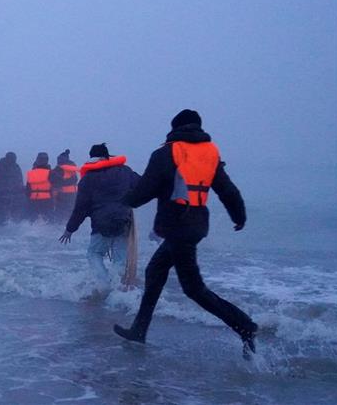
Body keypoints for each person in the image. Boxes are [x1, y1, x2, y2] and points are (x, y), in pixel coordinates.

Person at [112, 109, 258, 358]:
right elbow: (227, 190)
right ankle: (139, 329)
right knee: (155, 271)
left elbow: (146, 189)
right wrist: (239, 216)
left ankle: (245, 326)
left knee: (193, 289)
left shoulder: (166, 153)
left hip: (178, 227)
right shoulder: (208, 154)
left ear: (174, 129)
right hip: (195, 225)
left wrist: (124, 201)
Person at [59, 144, 139, 290]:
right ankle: (118, 289)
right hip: (124, 220)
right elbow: (142, 185)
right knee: (120, 259)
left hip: (101, 224)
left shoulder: (88, 179)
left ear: (91, 158)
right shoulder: (125, 171)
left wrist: (70, 229)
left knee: (94, 254)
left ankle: (103, 285)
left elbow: (80, 209)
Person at [49, 149, 79, 222]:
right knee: (71, 213)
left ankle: (59, 227)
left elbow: (52, 180)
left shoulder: (57, 170)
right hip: (73, 195)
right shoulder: (72, 168)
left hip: (62, 195)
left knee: (60, 214)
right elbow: (75, 180)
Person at [26, 152, 53, 221]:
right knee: (47, 219)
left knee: (33, 219)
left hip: (33, 200)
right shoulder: (51, 173)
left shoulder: (31, 173)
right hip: (47, 200)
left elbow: (27, 189)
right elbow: (54, 186)